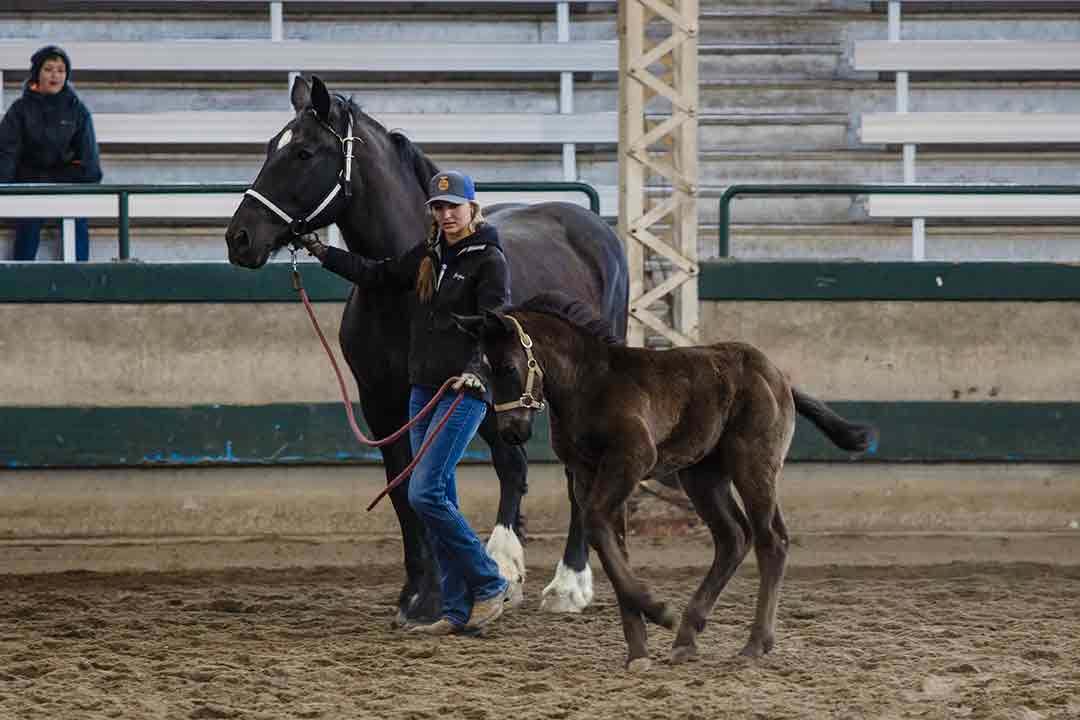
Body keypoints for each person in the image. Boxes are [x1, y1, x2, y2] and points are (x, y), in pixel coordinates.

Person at [300, 170, 510, 636]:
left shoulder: (488, 259)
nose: (446, 214)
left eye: (454, 206)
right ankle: (457, 611)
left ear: (473, 209)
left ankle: (490, 581)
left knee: (425, 493)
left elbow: (497, 323)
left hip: (463, 390)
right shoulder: (428, 254)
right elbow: (376, 274)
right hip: (424, 388)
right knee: (441, 495)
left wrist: (477, 371)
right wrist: (322, 252)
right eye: (438, 207)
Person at [0, 45, 102, 261]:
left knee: (78, 218)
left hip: (67, 179)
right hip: (30, 179)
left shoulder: (77, 109)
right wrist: (5, 186)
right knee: (28, 222)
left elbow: (88, 156)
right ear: (37, 72)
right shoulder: (20, 109)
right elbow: (7, 151)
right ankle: (22, 276)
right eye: (48, 69)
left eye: (61, 70)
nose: (55, 75)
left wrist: (87, 183)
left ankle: (80, 278)